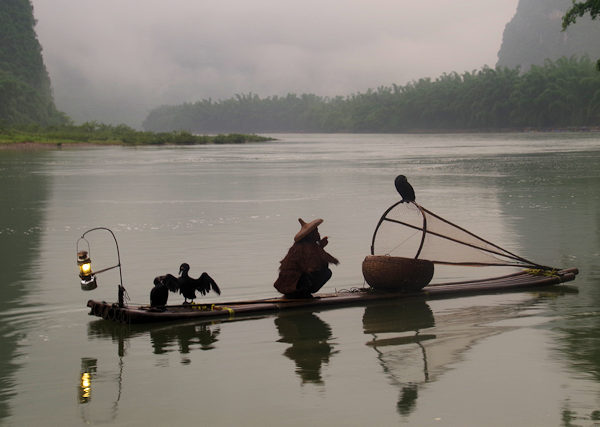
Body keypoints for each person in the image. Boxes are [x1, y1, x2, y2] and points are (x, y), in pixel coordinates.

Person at [274, 218, 339, 298]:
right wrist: (321, 248)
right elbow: (317, 265)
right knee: (327, 272)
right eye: (316, 231)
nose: (318, 234)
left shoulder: (300, 246)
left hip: (289, 286)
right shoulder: (307, 247)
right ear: (311, 234)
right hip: (295, 285)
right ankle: (302, 294)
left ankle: (301, 293)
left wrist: (320, 246)